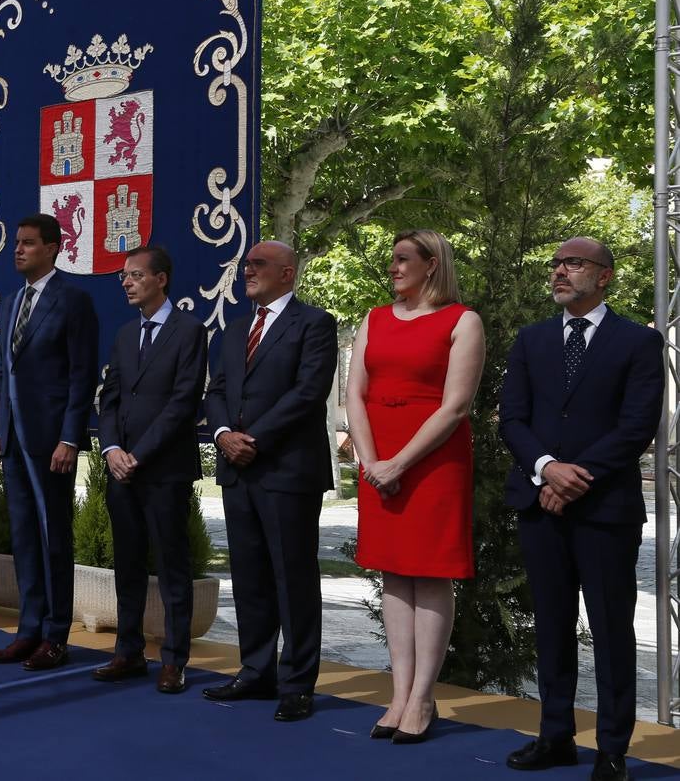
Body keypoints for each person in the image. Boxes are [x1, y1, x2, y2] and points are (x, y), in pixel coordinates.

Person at [499, 238, 661, 781]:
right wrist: (547, 468)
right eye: (556, 264)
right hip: (539, 504)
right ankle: (556, 737)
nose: (560, 271)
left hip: (604, 510)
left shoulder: (639, 342)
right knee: (551, 627)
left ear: (606, 276)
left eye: (574, 263)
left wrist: (575, 478)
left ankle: (613, 749)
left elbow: (636, 426)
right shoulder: (532, 340)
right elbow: (513, 420)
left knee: (612, 629)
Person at [346, 229, 484, 743]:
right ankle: (399, 694)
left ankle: (423, 698)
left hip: (432, 460)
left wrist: (399, 462)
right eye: (392, 260)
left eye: (403, 259)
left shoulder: (461, 320)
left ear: (432, 265)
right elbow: (354, 394)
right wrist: (371, 460)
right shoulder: (374, 318)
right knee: (394, 574)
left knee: (429, 573)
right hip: (378, 459)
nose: (394, 267)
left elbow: (456, 406)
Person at [201, 240, 338, 723]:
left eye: (257, 265)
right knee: (250, 578)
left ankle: (297, 683)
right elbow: (216, 390)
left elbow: (308, 393)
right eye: (245, 266)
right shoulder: (236, 330)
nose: (247, 272)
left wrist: (251, 438)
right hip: (238, 471)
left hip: (286, 471)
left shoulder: (315, 324)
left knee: (292, 578)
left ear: (287, 273)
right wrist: (222, 435)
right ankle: (256, 671)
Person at [0, 213, 99, 671]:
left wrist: (70, 437)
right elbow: (0, 370)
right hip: (11, 438)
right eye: (16, 242)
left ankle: (56, 635)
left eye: (28, 243)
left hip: (52, 440)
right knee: (24, 538)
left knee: (53, 538)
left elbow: (81, 374)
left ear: (53, 247)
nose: (17, 250)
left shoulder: (73, 302)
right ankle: (27, 631)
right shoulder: (10, 301)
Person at [94, 246, 207, 694]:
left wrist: (139, 453)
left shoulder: (189, 331)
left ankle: (174, 660)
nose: (126, 282)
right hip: (122, 470)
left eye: (135, 275)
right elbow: (110, 399)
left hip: (164, 470)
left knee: (172, 566)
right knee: (127, 564)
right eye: (123, 276)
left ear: (161, 279)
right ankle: (128, 651)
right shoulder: (124, 335)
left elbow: (183, 402)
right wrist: (112, 449)